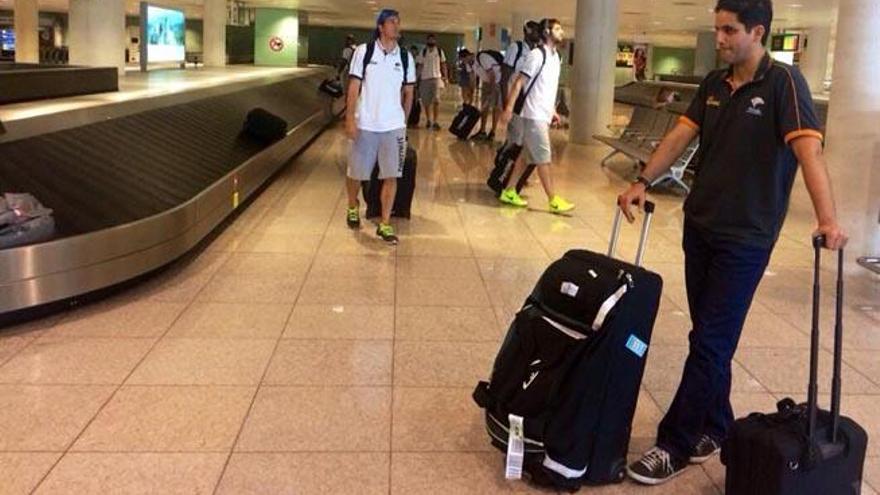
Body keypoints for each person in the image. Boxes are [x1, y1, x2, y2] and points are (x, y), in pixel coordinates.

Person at [620, 0, 847, 485]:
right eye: (717, 29)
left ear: (757, 31)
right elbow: (682, 134)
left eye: (728, 31)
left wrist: (828, 219)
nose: (719, 39)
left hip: (746, 238)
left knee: (710, 343)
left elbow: (810, 152)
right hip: (700, 225)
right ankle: (718, 426)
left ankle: (674, 443)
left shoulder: (784, 83)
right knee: (707, 338)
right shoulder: (714, 84)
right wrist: (644, 179)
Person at [344, 9, 416, 245]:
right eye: (391, 22)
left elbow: (409, 92)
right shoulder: (364, 52)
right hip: (366, 123)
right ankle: (352, 205)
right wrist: (350, 119)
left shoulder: (405, 57)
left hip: (393, 126)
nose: (396, 26)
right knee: (356, 172)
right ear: (380, 27)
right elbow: (354, 87)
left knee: (391, 175)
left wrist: (402, 122)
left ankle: (384, 223)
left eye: (398, 21)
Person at [497, 19, 575, 214]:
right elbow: (518, 83)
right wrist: (508, 108)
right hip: (533, 115)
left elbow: (547, 88)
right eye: (557, 29)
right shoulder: (536, 55)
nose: (561, 32)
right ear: (547, 32)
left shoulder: (556, 58)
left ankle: (509, 191)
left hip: (543, 113)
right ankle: (553, 200)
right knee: (543, 158)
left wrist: (553, 110)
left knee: (526, 157)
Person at [416, 34, 448, 130]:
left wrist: (445, 77)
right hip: (425, 79)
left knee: (436, 101)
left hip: (436, 78)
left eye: (433, 40)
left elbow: (443, 64)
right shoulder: (423, 52)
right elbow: (420, 66)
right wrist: (416, 78)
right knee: (426, 101)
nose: (431, 42)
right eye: (429, 40)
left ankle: (435, 121)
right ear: (427, 41)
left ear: (435, 41)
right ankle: (428, 120)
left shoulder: (439, 51)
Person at [472, 49, 503, 142]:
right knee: (485, 107)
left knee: (496, 108)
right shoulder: (472, 64)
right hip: (487, 83)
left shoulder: (482, 57)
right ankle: (482, 131)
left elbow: (492, 75)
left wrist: (492, 92)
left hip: (497, 82)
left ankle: (492, 132)